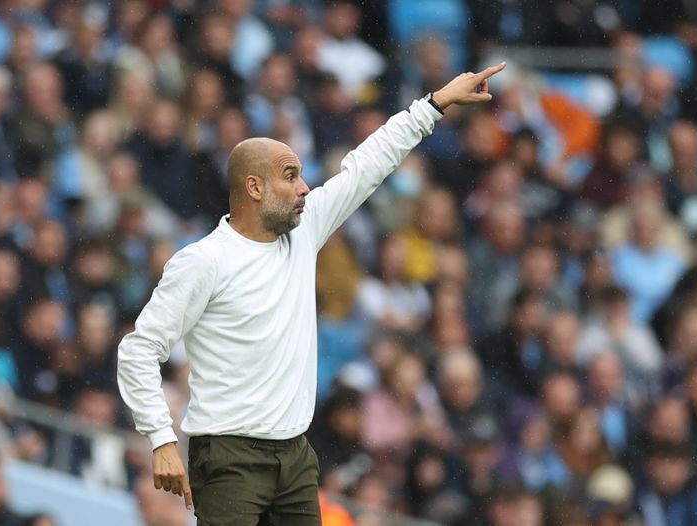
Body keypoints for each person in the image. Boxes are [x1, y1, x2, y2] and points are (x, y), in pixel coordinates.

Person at [117, 62, 506, 525]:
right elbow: (139, 349)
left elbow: (367, 165)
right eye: (290, 175)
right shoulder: (204, 261)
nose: (304, 187)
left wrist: (435, 103)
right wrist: (161, 439)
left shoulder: (304, 233)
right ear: (254, 187)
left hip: (296, 454)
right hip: (227, 458)